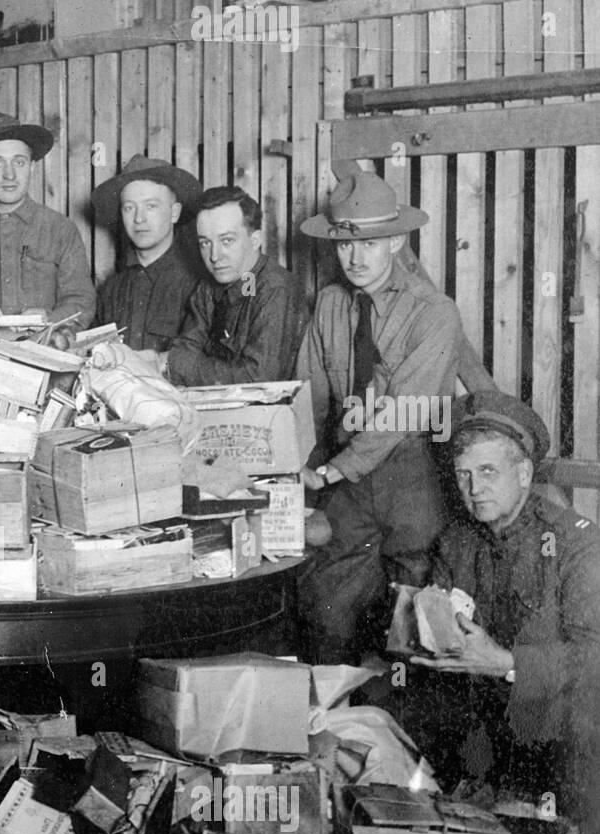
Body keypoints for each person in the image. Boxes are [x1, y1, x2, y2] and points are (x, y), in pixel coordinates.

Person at [409, 393, 600, 834]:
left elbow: (594, 656)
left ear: (524, 473)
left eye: (489, 473)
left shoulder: (576, 543)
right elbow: (431, 628)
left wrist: (508, 662)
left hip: (568, 733)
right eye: (464, 476)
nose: (474, 489)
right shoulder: (457, 542)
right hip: (486, 736)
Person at [296, 171, 464, 664]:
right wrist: (300, 465)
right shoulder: (329, 303)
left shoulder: (434, 313)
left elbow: (404, 414)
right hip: (343, 478)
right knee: (324, 609)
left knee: (414, 625)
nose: (356, 258)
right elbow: (309, 393)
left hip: (411, 476)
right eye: (345, 244)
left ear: (396, 240)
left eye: (370, 243)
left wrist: (332, 469)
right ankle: (332, 725)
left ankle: (401, 733)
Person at [0, 113, 95, 333]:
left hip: (43, 353)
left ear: (32, 167)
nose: (9, 174)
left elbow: (81, 302)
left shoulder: (60, 230)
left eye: (18, 162)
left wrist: (49, 319)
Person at [161, 185, 308, 384]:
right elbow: (187, 347)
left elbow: (258, 378)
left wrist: (176, 365)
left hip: (268, 412)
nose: (214, 256)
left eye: (227, 241)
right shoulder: (209, 286)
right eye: (205, 243)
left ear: (255, 240)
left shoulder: (276, 288)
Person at [91, 154, 203, 353]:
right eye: (129, 207)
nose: (139, 218)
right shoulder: (112, 290)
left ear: (175, 213)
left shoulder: (198, 286)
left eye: (151, 206)